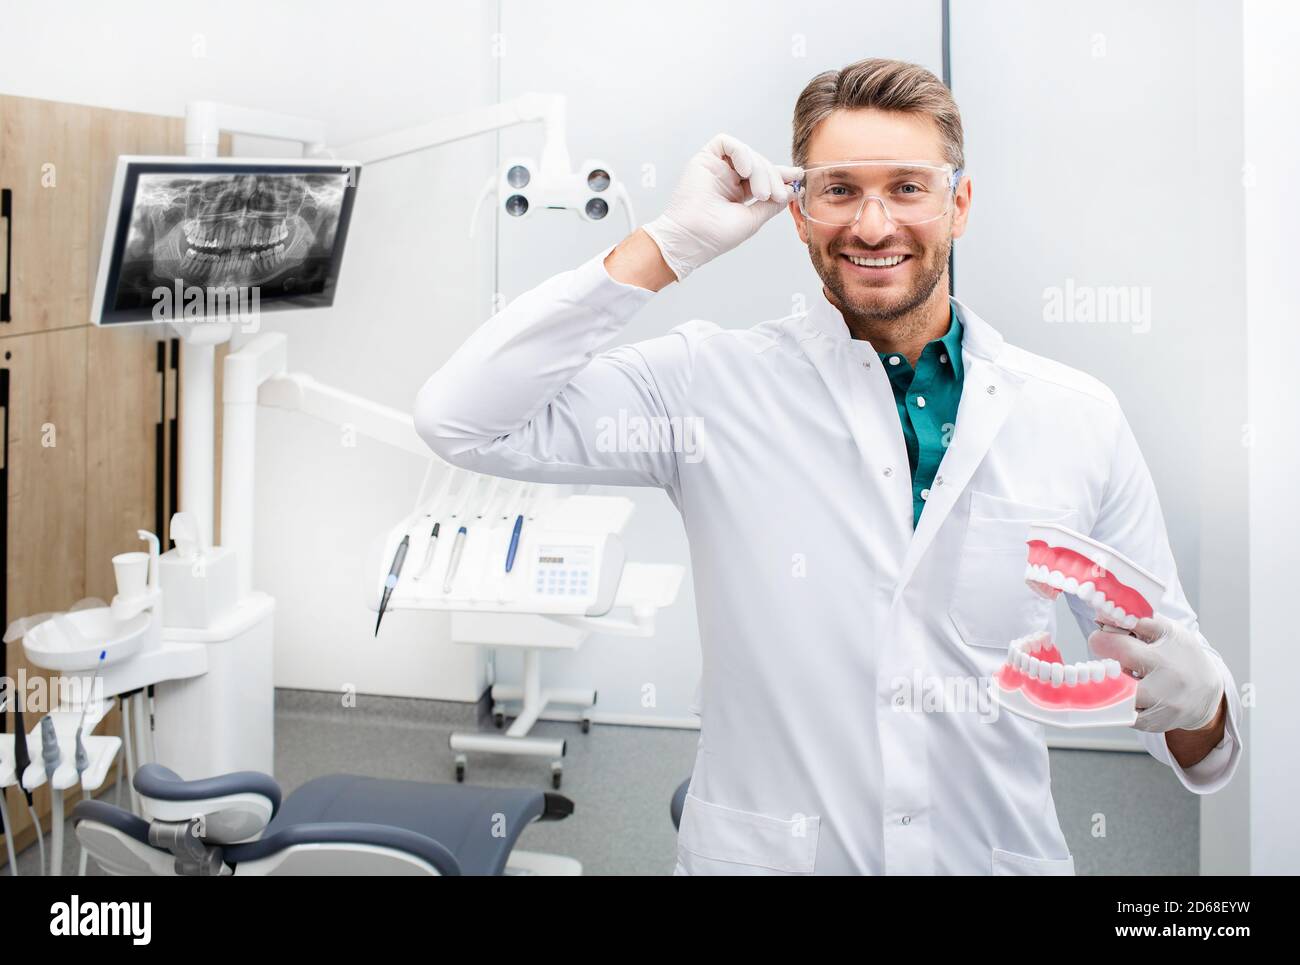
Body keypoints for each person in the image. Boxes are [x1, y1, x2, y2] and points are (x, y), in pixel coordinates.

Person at [414, 57, 1241, 875]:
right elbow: (462, 418)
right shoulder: (706, 386)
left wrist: (1201, 701)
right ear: (800, 209)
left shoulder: (1076, 416)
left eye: (909, 187)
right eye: (840, 189)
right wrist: (666, 246)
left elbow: (1190, 738)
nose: (872, 225)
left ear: (960, 203)